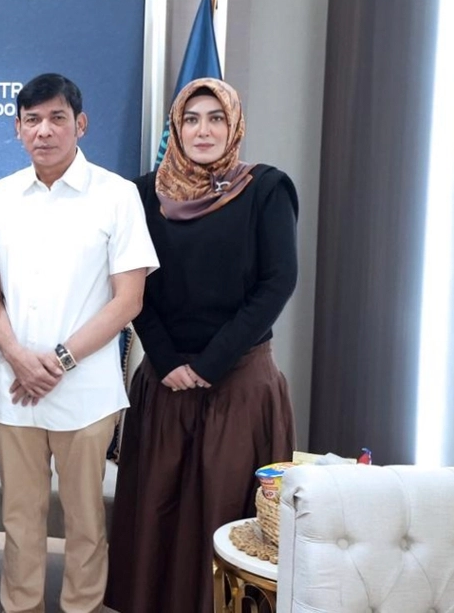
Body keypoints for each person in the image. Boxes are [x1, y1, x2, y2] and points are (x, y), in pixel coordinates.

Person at [105, 77, 298, 613]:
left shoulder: (266, 188)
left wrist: (211, 363)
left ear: (234, 126)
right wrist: (167, 360)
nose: (203, 130)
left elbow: (277, 283)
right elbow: (131, 283)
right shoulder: (142, 194)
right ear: (176, 127)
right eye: (191, 119)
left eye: (216, 118)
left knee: (228, 515)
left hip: (239, 383)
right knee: (158, 514)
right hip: (165, 382)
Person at [0, 73, 158, 613]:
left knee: (85, 523)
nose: (44, 131)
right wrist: (17, 357)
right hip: (12, 389)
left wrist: (57, 360)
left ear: (80, 124)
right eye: (32, 120)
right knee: (20, 520)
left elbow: (129, 300)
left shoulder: (117, 195)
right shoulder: (0, 196)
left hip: (85, 392)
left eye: (57, 118)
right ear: (17, 128)